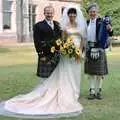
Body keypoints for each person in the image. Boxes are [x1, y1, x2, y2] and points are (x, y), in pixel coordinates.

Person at [0, 4, 86, 118]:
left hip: (59, 54)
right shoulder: (38, 26)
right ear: (44, 13)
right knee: (47, 77)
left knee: (64, 75)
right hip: (46, 54)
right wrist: (41, 54)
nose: (49, 14)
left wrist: (75, 51)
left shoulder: (57, 24)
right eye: (47, 12)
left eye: (51, 12)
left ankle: (72, 92)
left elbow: (63, 40)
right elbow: (37, 41)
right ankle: (43, 94)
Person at [84, 3, 113, 100]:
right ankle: (92, 91)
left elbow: (109, 32)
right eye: (91, 12)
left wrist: (110, 29)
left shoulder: (102, 22)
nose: (92, 13)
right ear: (88, 13)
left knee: (100, 72)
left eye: (94, 11)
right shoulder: (87, 22)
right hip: (89, 48)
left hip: (99, 49)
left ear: (97, 12)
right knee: (91, 72)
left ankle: (99, 91)